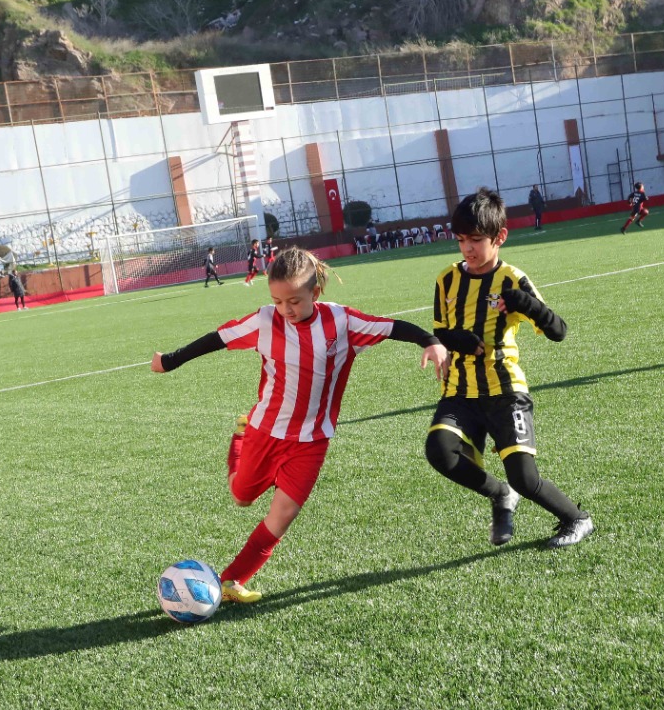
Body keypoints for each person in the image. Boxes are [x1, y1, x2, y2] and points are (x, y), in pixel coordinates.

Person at [151, 247, 448, 603]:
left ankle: (231, 580)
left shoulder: (342, 322)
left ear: (316, 293)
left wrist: (430, 342)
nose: (286, 309)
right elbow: (218, 339)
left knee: (283, 514)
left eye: (294, 300)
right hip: (265, 431)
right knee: (242, 497)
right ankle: (239, 438)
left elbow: (392, 327)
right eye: (278, 301)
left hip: (312, 441)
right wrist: (170, 361)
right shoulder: (264, 321)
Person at [426, 188, 593, 549]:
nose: (467, 248)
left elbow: (558, 331)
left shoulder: (513, 280)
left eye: (475, 239)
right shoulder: (446, 280)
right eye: (460, 240)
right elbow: (441, 328)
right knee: (439, 451)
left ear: (499, 237)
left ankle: (576, 519)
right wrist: (457, 342)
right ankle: (499, 494)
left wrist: (527, 305)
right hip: (459, 390)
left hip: (505, 391)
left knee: (524, 477)